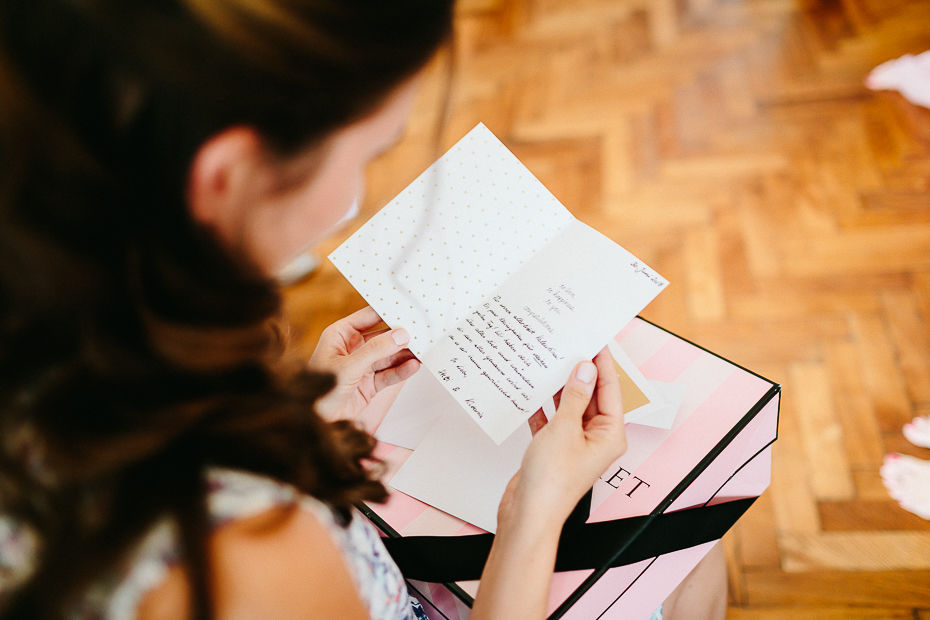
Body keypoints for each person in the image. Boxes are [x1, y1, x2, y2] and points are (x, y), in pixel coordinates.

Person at [0, 1, 725, 618]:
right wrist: (535, 513)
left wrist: (308, 433)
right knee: (696, 536)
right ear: (229, 174)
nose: (358, 194)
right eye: (370, 152)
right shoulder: (245, 564)